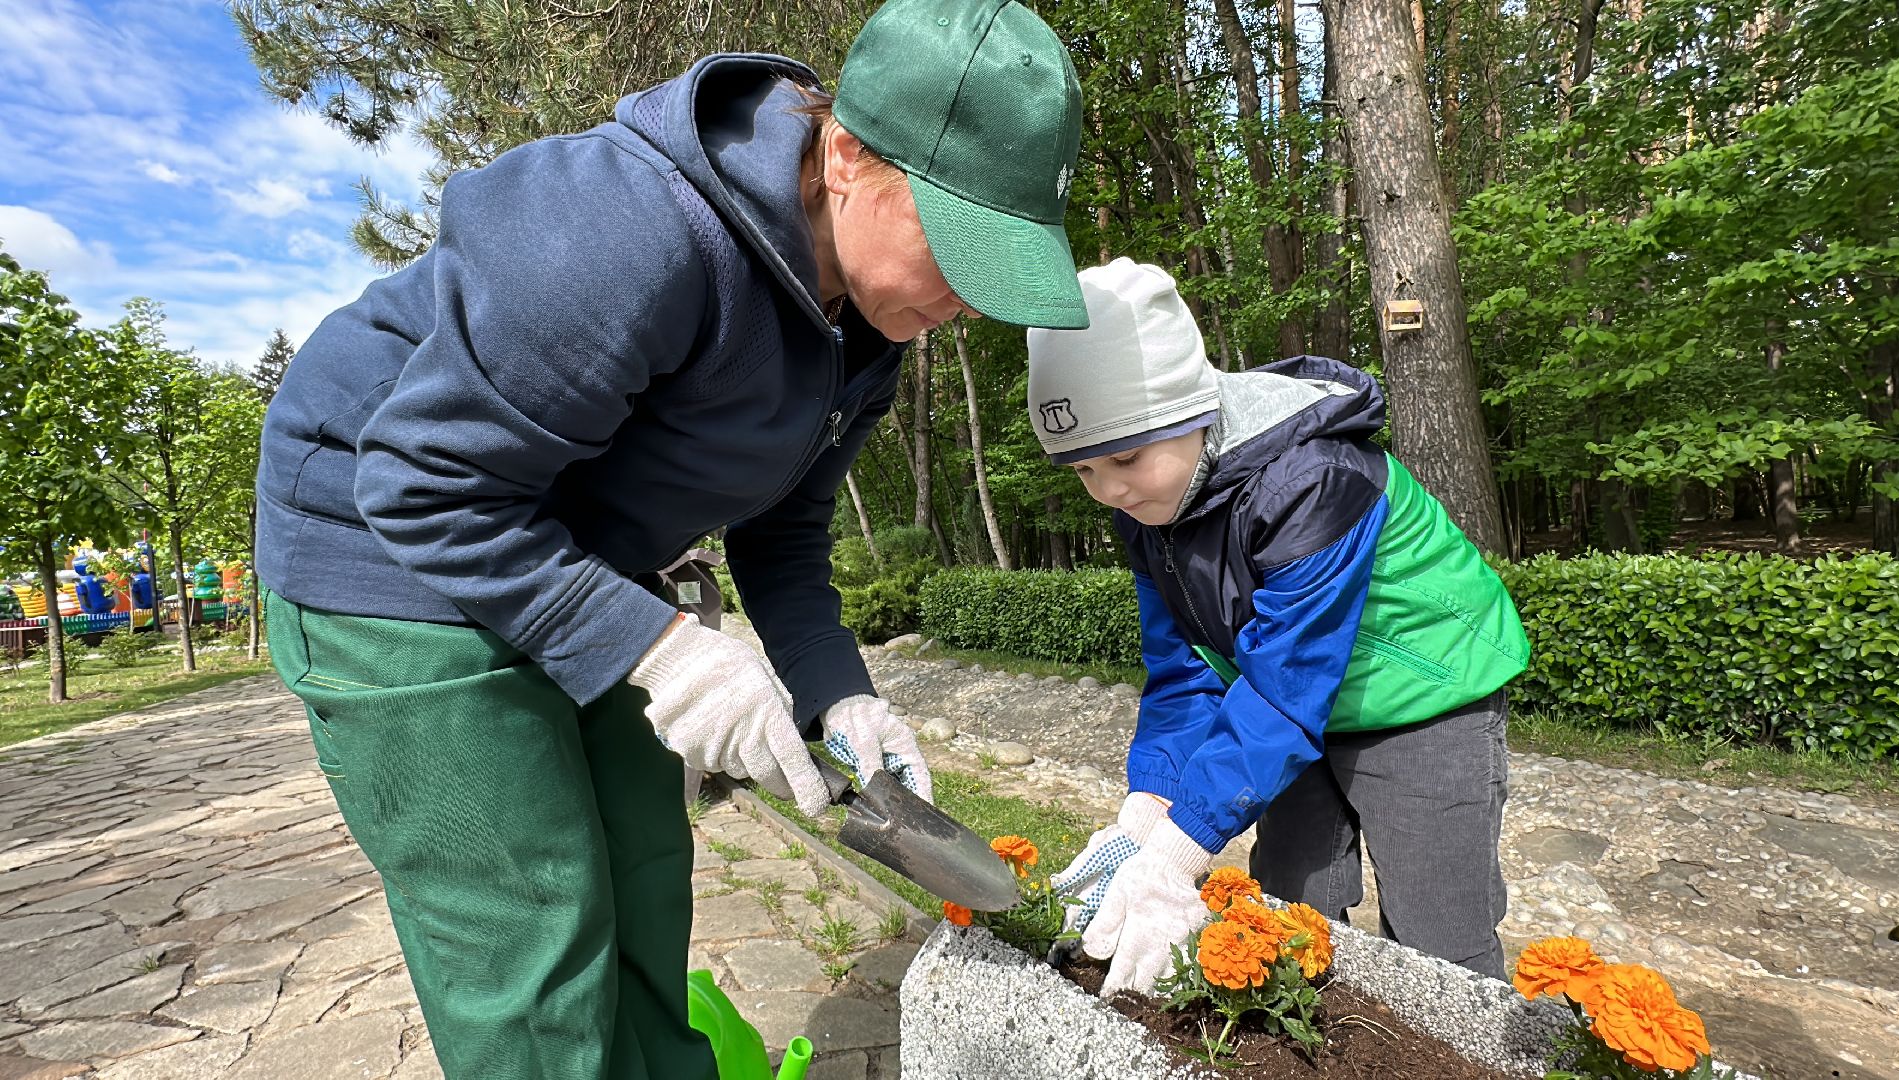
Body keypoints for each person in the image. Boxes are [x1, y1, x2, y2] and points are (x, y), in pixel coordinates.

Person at [252, 2, 1087, 1076]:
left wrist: (838, 689)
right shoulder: (632, 226)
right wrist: (663, 655)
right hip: (388, 552)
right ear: (844, 154)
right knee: (537, 938)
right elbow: (422, 483)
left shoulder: (869, 331)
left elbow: (782, 530)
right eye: (963, 246)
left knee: (645, 880)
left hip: (565, 552)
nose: (974, 300)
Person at [1032, 259, 1529, 996]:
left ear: (1192, 408)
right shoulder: (1147, 511)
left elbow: (1285, 684)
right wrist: (1149, 809)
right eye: (1083, 471)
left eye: (1126, 457)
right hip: (1292, 707)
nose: (1110, 490)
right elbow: (1186, 670)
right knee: (1288, 905)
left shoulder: (1313, 481)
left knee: (1438, 939)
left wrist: (1181, 849)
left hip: (1425, 695)